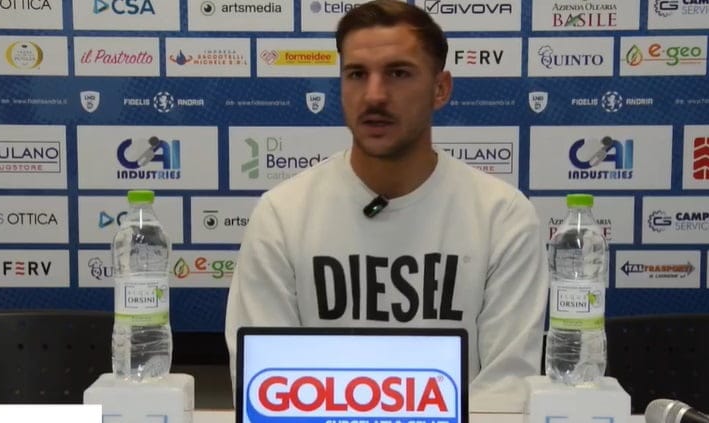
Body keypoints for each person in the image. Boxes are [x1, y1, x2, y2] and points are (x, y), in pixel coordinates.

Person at [224, 0, 548, 412]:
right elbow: (267, 386)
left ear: (440, 88)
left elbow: (506, 391)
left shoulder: (502, 216)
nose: (374, 95)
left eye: (398, 73)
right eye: (357, 74)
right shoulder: (282, 215)